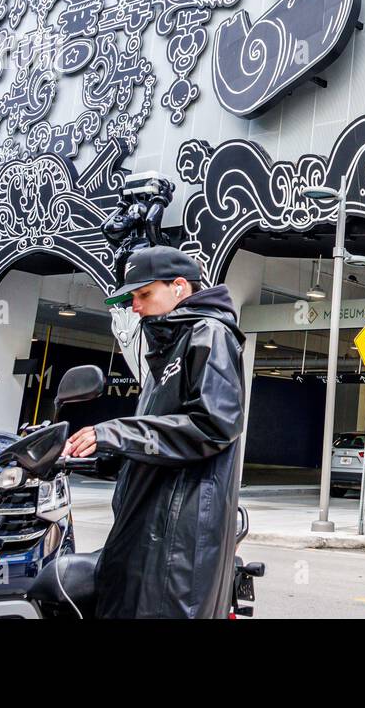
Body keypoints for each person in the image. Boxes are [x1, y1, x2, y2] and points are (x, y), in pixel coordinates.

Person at [62, 246, 246, 618]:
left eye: (144, 294)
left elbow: (213, 425)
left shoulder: (209, 334)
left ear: (179, 287)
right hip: (146, 526)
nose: (135, 306)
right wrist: (97, 455)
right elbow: (157, 442)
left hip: (174, 538)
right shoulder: (169, 349)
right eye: (132, 297)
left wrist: (116, 433)